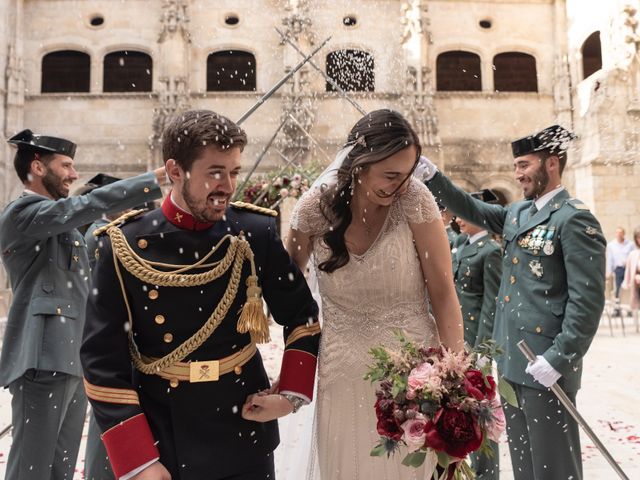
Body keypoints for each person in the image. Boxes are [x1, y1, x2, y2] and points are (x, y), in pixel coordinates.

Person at [80, 109, 321, 480]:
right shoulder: (122, 245)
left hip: (244, 427)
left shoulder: (253, 233)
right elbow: (101, 361)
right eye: (214, 173)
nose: (227, 185)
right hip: (162, 439)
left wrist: (289, 395)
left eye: (234, 172)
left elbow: (303, 318)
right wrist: (139, 460)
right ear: (175, 171)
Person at [284, 109, 464, 480]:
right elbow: (286, 298)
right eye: (390, 175)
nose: (400, 186)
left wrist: (453, 383)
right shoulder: (313, 211)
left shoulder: (416, 201)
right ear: (360, 165)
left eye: (408, 174)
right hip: (341, 374)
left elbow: (444, 294)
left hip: (414, 376)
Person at [419, 124, 606, 480]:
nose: (517, 174)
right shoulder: (518, 214)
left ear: (552, 163)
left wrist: (559, 357)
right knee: (525, 466)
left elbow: (587, 302)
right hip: (513, 364)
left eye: (524, 165)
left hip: (546, 364)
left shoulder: (575, 219)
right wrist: (433, 177)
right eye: (516, 166)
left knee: (553, 468)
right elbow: (469, 207)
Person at [0, 129, 165, 480]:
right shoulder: (24, 213)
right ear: (38, 167)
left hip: (72, 359)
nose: (75, 175)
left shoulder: (62, 225)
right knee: (31, 470)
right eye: (67, 165)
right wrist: (149, 181)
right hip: (42, 356)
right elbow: (83, 206)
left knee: (60, 469)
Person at [451, 189, 502, 480]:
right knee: (461, 411)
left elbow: (490, 303)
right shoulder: (462, 246)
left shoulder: (490, 251)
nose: (458, 217)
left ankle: (487, 472)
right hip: (458, 340)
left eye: (465, 212)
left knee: (482, 412)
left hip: (475, 342)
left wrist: (483, 351)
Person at [606, 227, 634, 306]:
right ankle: (617, 309)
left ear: (624, 234)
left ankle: (630, 307)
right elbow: (610, 259)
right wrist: (609, 271)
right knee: (618, 288)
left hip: (628, 269)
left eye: (621, 232)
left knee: (629, 288)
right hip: (618, 270)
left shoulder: (630, 244)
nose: (619, 234)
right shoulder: (611, 245)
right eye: (617, 232)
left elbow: (634, 256)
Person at [622, 226, 640, 332]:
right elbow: (628, 270)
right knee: (635, 303)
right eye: (638, 237)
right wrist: (627, 283)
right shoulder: (633, 254)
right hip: (636, 284)